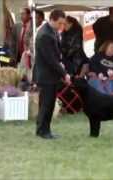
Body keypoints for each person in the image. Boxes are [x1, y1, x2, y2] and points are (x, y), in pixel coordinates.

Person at [32, 9, 71, 139]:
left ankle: (43, 129)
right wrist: (64, 73)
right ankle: (43, 131)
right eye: (59, 23)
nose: (61, 26)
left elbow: (56, 55)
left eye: (63, 23)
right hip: (46, 75)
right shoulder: (45, 34)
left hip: (51, 74)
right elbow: (50, 60)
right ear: (52, 19)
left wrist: (61, 64)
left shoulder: (51, 31)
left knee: (48, 103)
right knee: (46, 104)